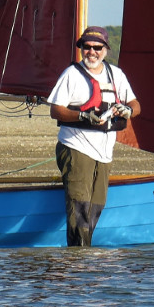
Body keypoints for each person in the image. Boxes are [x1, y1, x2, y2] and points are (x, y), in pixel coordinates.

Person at [49, 26, 141, 247]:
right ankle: (77, 260)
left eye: (97, 48)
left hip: (104, 153)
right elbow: (56, 110)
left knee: (95, 207)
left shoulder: (116, 74)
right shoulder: (71, 74)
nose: (92, 52)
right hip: (76, 147)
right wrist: (82, 115)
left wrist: (128, 111)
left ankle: (86, 256)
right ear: (81, 48)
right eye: (87, 47)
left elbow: (135, 104)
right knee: (79, 208)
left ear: (105, 50)